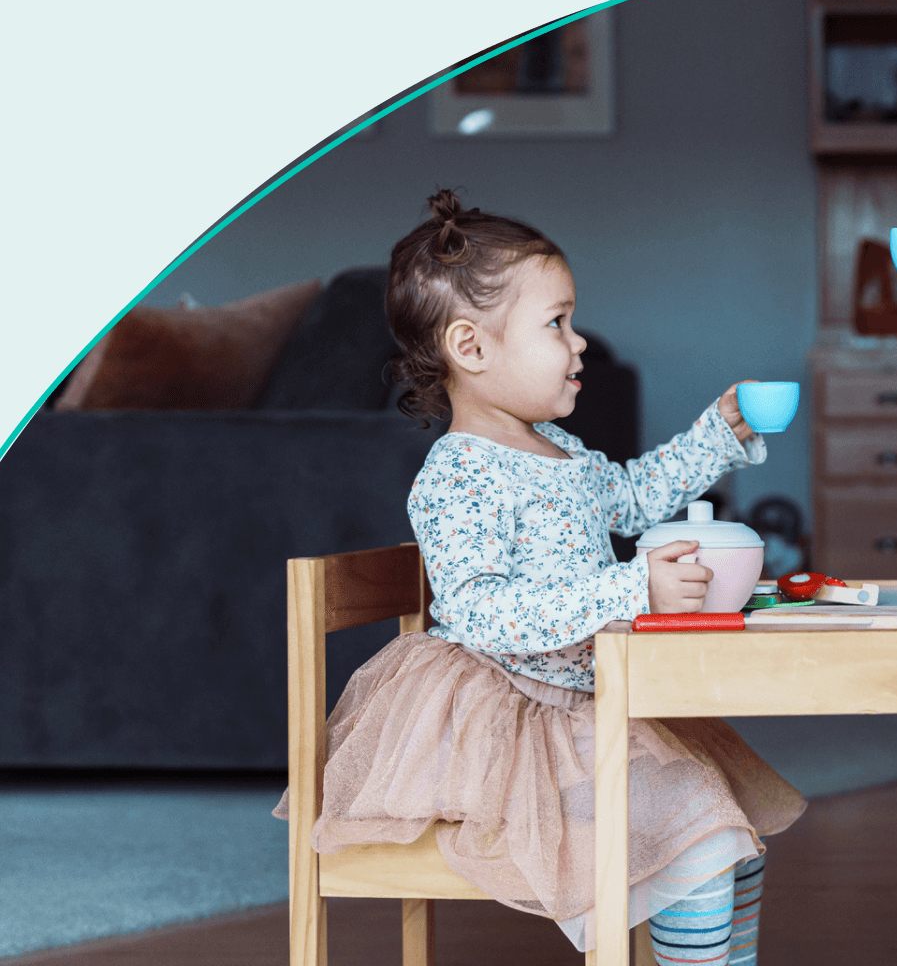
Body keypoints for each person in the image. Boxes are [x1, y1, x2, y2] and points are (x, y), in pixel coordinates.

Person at [275, 191, 803, 963]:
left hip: (589, 700)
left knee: (734, 839)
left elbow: (632, 495)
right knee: (701, 831)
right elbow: (486, 613)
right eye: (555, 323)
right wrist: (632, 590)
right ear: (472, 347)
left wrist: (716, 436)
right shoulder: (457, 474)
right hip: (507, 723)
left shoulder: (558, 445)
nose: (579, 342)